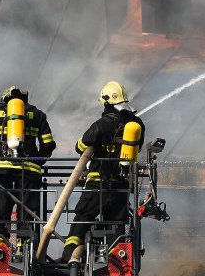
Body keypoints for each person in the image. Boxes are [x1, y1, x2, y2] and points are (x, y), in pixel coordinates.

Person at [60, 81, 145, 262]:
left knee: (81, 221)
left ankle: (68, 259)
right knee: (116, 226)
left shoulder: (102, 124)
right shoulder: (137, 125)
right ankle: (117, 265)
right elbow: (136, 149)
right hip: (121, 187)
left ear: (106, 102)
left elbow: (80, 147)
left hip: (97, 183)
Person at [0, 85, 56, 239]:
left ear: (5, 99)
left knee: (0, 209)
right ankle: (24, 244)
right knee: (27, 213)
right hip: (30, 171)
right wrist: (38, 161)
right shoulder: (37, 114)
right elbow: (48, 144)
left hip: (2, 170)